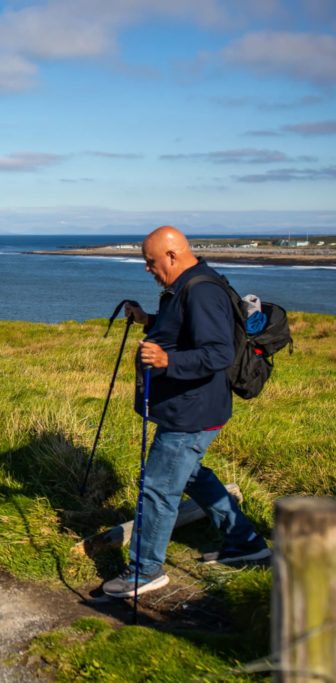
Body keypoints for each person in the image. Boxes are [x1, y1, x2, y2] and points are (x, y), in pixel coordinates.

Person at [101, 225, 271, 599]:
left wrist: (166, 358)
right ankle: (246, 543)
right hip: (192, 408)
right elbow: (185, 331)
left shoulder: (202, 291)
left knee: (158, 488)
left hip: (192, 411)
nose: (148, 269)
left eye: (151, 262)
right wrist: (149, 320)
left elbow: (218, 352)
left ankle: (145, 572)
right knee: (191, 474)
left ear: (173, 256)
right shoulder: (187, 285)